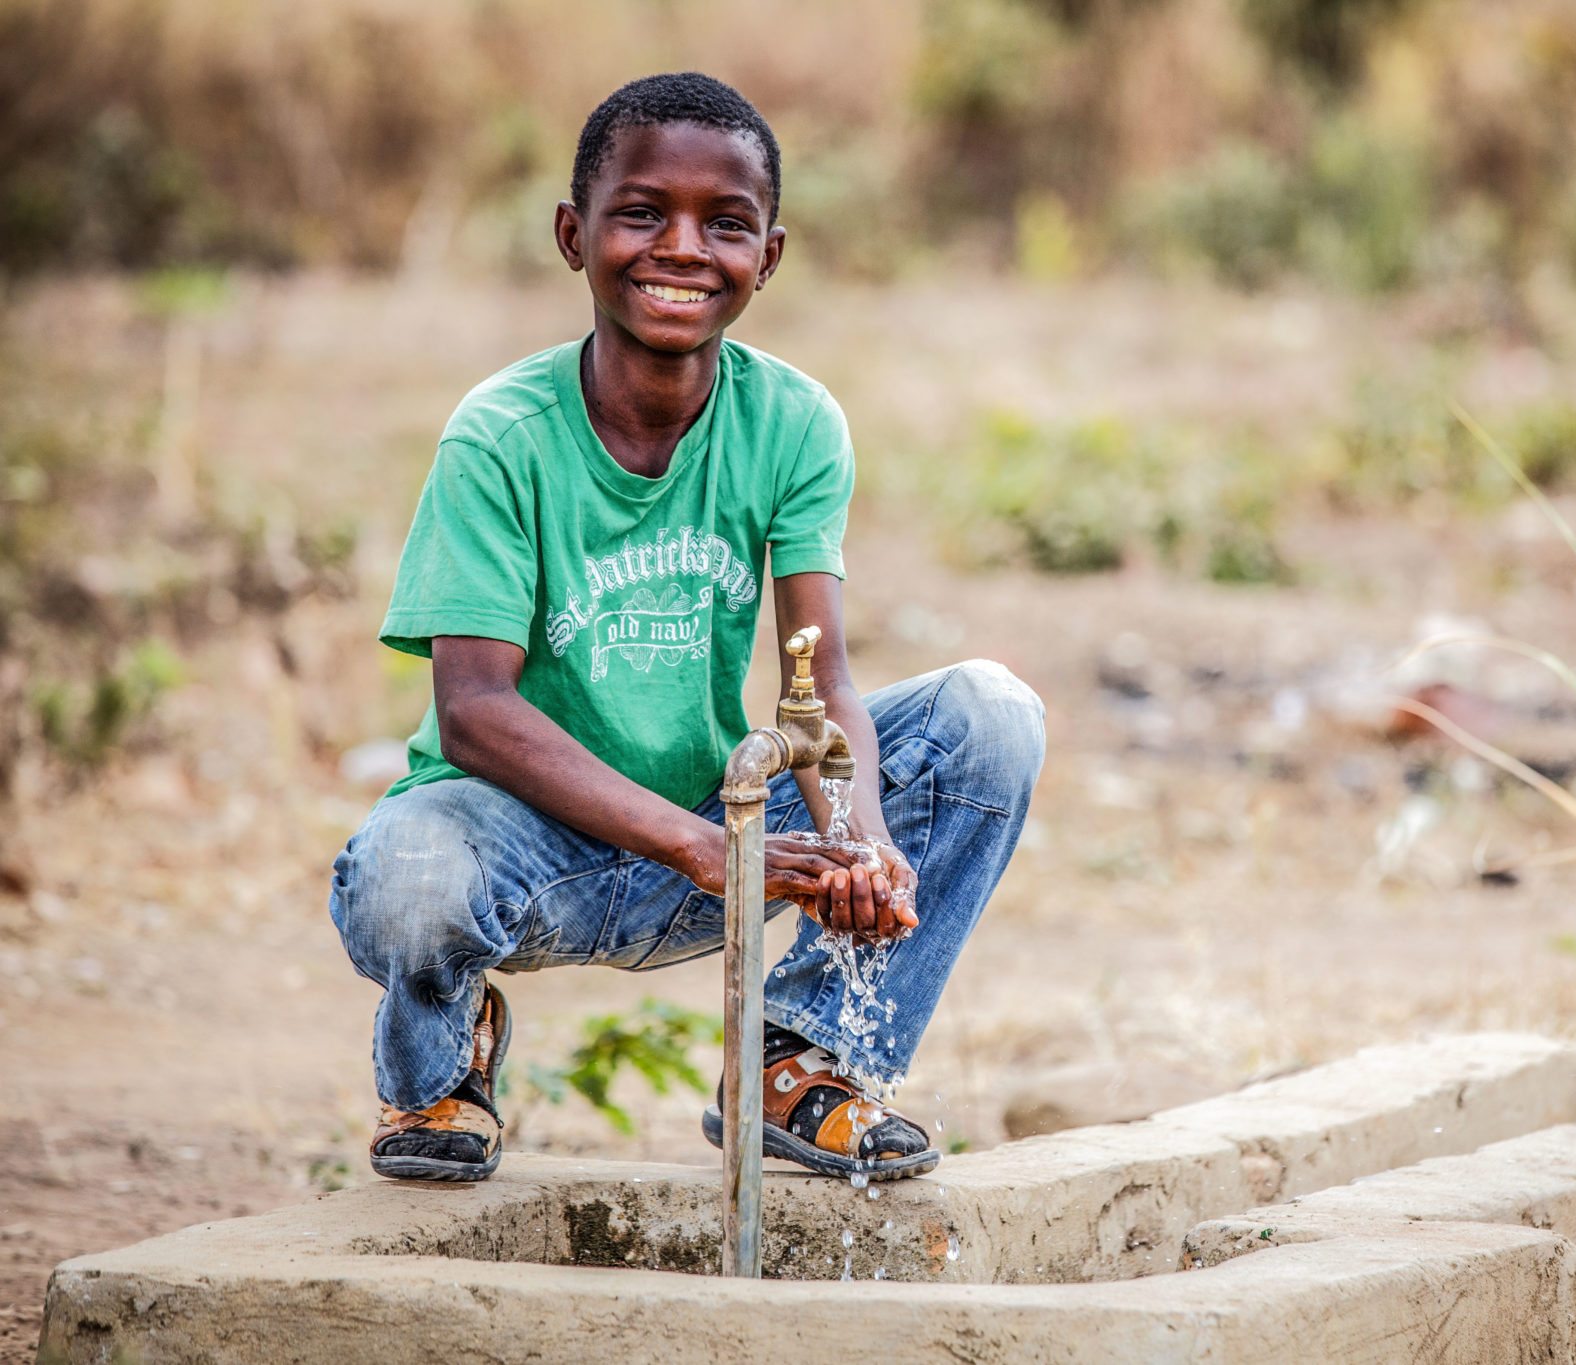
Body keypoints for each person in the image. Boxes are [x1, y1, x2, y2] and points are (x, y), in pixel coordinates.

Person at [327, 72, 1045, 1185]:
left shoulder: (792, 421)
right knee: (405, 871)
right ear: (574, 235)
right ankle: (438, 1074)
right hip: (536, 847)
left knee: (987, 716)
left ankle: (801, 1062)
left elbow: (820, 686)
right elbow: (471, 714)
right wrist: (700, 849)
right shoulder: (501, 437)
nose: (682, 249)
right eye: (640, 213)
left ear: (770, 255)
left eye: (726, 224)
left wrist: (857, 838)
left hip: (719, 824)